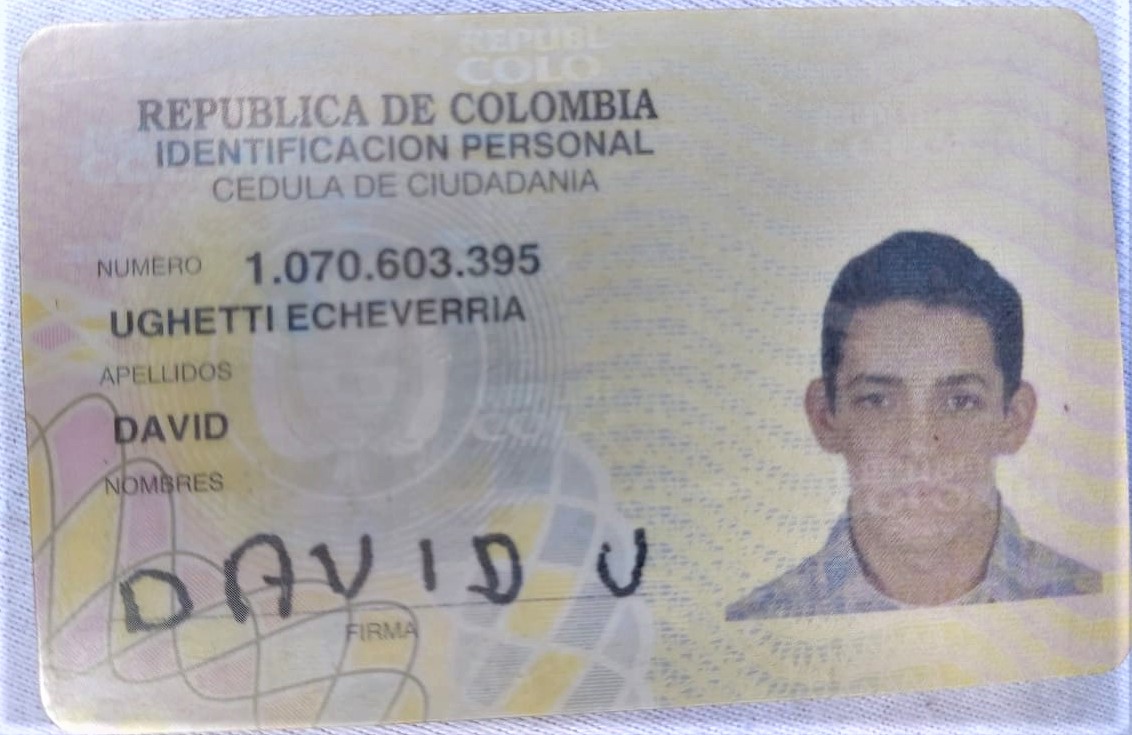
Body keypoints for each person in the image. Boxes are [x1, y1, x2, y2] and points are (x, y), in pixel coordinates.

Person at [725, 232, 1102, 621]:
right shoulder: (757, 626)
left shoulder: (1099, 609)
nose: (919, 445)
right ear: (824, 417)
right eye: (877, 400)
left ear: (1014, 419)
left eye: (960, 401)